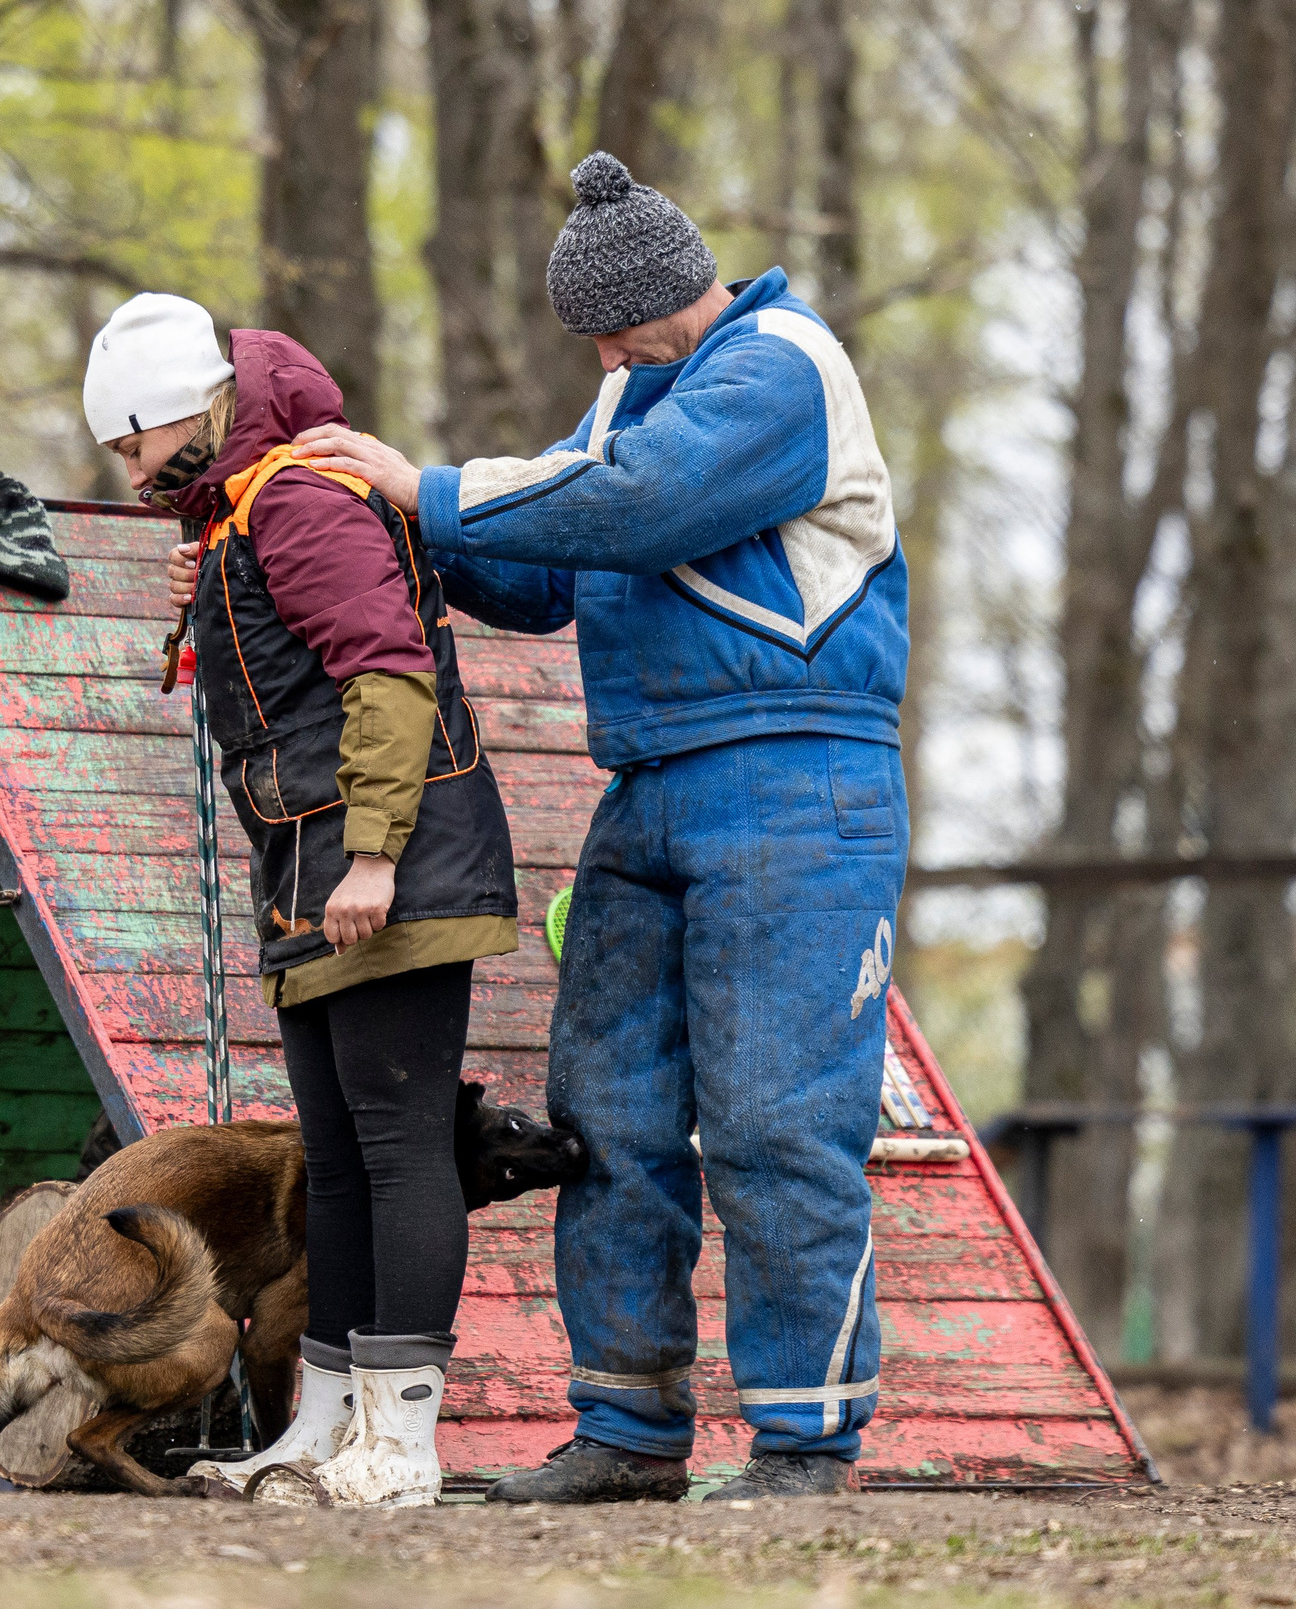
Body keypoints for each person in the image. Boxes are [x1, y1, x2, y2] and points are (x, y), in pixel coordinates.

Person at [289, 153, 909, 1502]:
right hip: (653, 779)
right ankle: (626, 1427)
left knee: (775, 1121)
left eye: (618, 328)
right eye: (598, 340)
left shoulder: (780, 365)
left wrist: (428, 484)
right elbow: (547, 568)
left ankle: (807, 1439)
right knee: (605, 1113)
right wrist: (385, 529)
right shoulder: (639, 385)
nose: (608, 353)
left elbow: (637, 503)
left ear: (683, 286)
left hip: (802, 781)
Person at [87, 294, 519, 1508]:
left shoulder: (297, 499)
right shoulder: (241, 514)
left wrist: (375, 857)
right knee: (331, 1163)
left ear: (190, 411)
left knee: (396, 1153)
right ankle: (325, 1429)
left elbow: (387, 676)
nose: (130, 472)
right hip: (309, 872)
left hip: (391, 868)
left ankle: (403, 1440)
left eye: (134, 445)